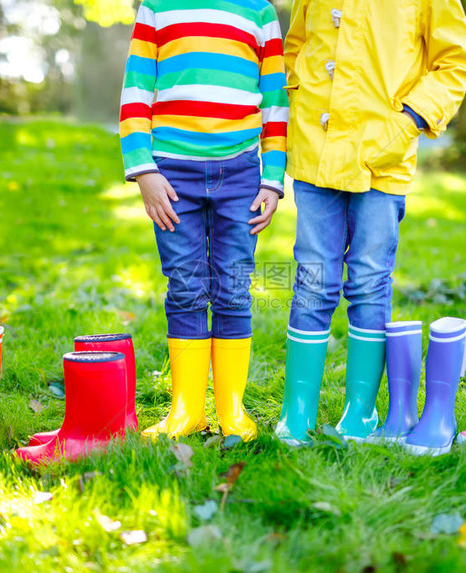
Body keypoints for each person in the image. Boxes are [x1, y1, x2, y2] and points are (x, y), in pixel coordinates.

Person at [275, 0, 466, 445]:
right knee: (312, 277)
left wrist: (408, 122)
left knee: (369, 278)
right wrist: (299, 103)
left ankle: (360, 413)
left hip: (383, 156)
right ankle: (298, 411)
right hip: (314, 151)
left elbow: (456, 61)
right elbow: (297, 48)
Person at [119, 0, 288, 441]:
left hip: (241, 173)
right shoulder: (157, 7)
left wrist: (272, 179)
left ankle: (231, 408)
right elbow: (136, 91)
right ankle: (187, 409)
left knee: (233, 286)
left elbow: (274, 103)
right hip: (171, 175)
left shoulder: (259, 13)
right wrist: (144, 169)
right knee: (186, 285)